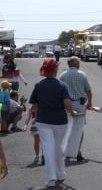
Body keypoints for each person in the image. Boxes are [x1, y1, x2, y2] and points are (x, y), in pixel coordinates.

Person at [29, 59, 76, 188]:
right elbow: (67, 103)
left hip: (43, 121)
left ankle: (52, 178)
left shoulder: (38, 85)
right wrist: (72, 112)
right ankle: (60, 174)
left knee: (49, 149)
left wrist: (31, 117)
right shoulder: (62, 85)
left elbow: (34, 105)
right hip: (60, 122)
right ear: (55, 71)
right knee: (57, 147)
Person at [59, 56, 92, 162]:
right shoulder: (82, 75)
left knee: (66, 127)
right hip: (80, 103)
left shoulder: (62, 75)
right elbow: (88, 90)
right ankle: (77, 152)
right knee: (79, 128)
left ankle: (67, 151)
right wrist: (90, 103)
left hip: (66, 104)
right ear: (76, 64)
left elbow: (58, 91)